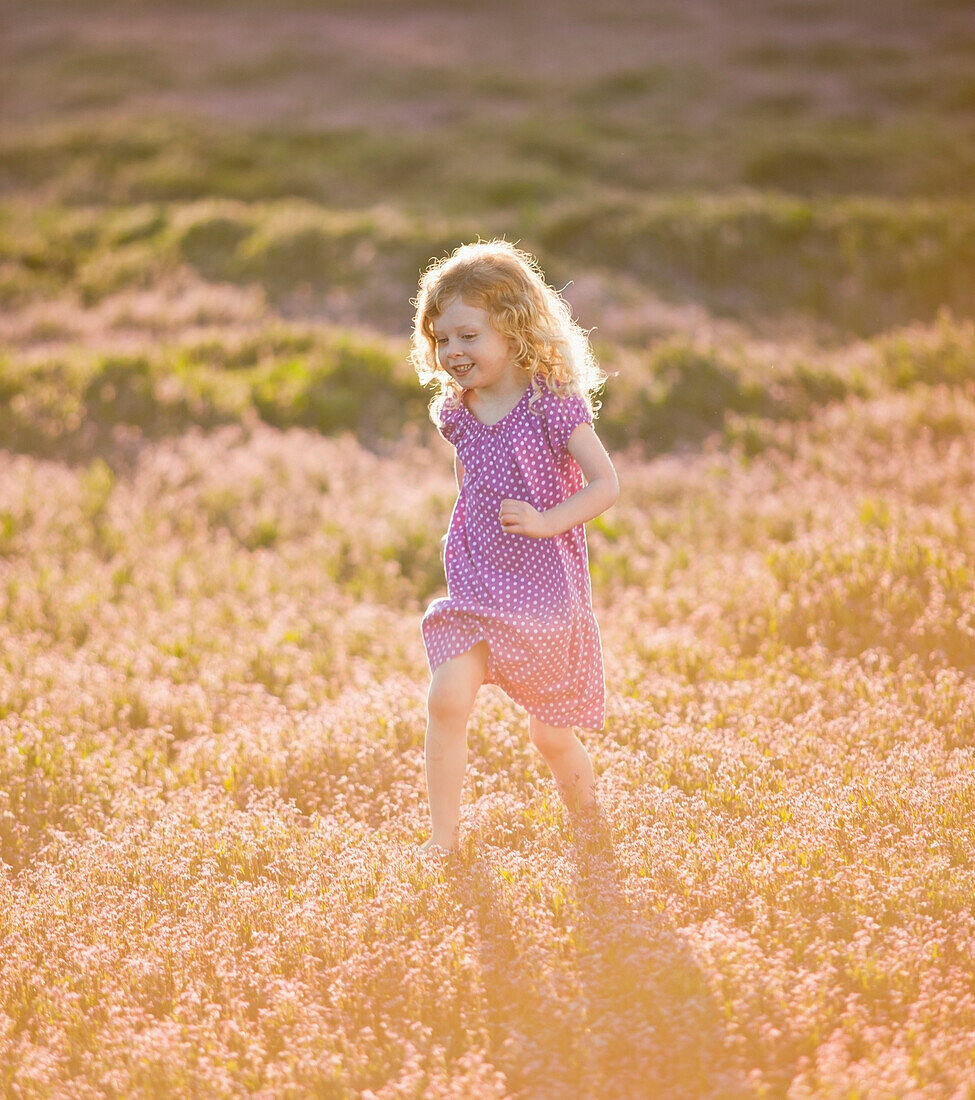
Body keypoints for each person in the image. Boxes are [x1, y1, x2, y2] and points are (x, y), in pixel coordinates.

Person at [410, 240, 619, 857]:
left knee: (550, 737)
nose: (454, 353)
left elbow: (607, 485)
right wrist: (465, 530)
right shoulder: (460, 409)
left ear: (514, 328)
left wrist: (548, 521)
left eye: (468, 336)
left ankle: (590, 832)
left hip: (545, 593)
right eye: (442, 339)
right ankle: (442, 842)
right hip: (479, 584)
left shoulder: (552, 405)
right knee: (447, 698)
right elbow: (467, 475)